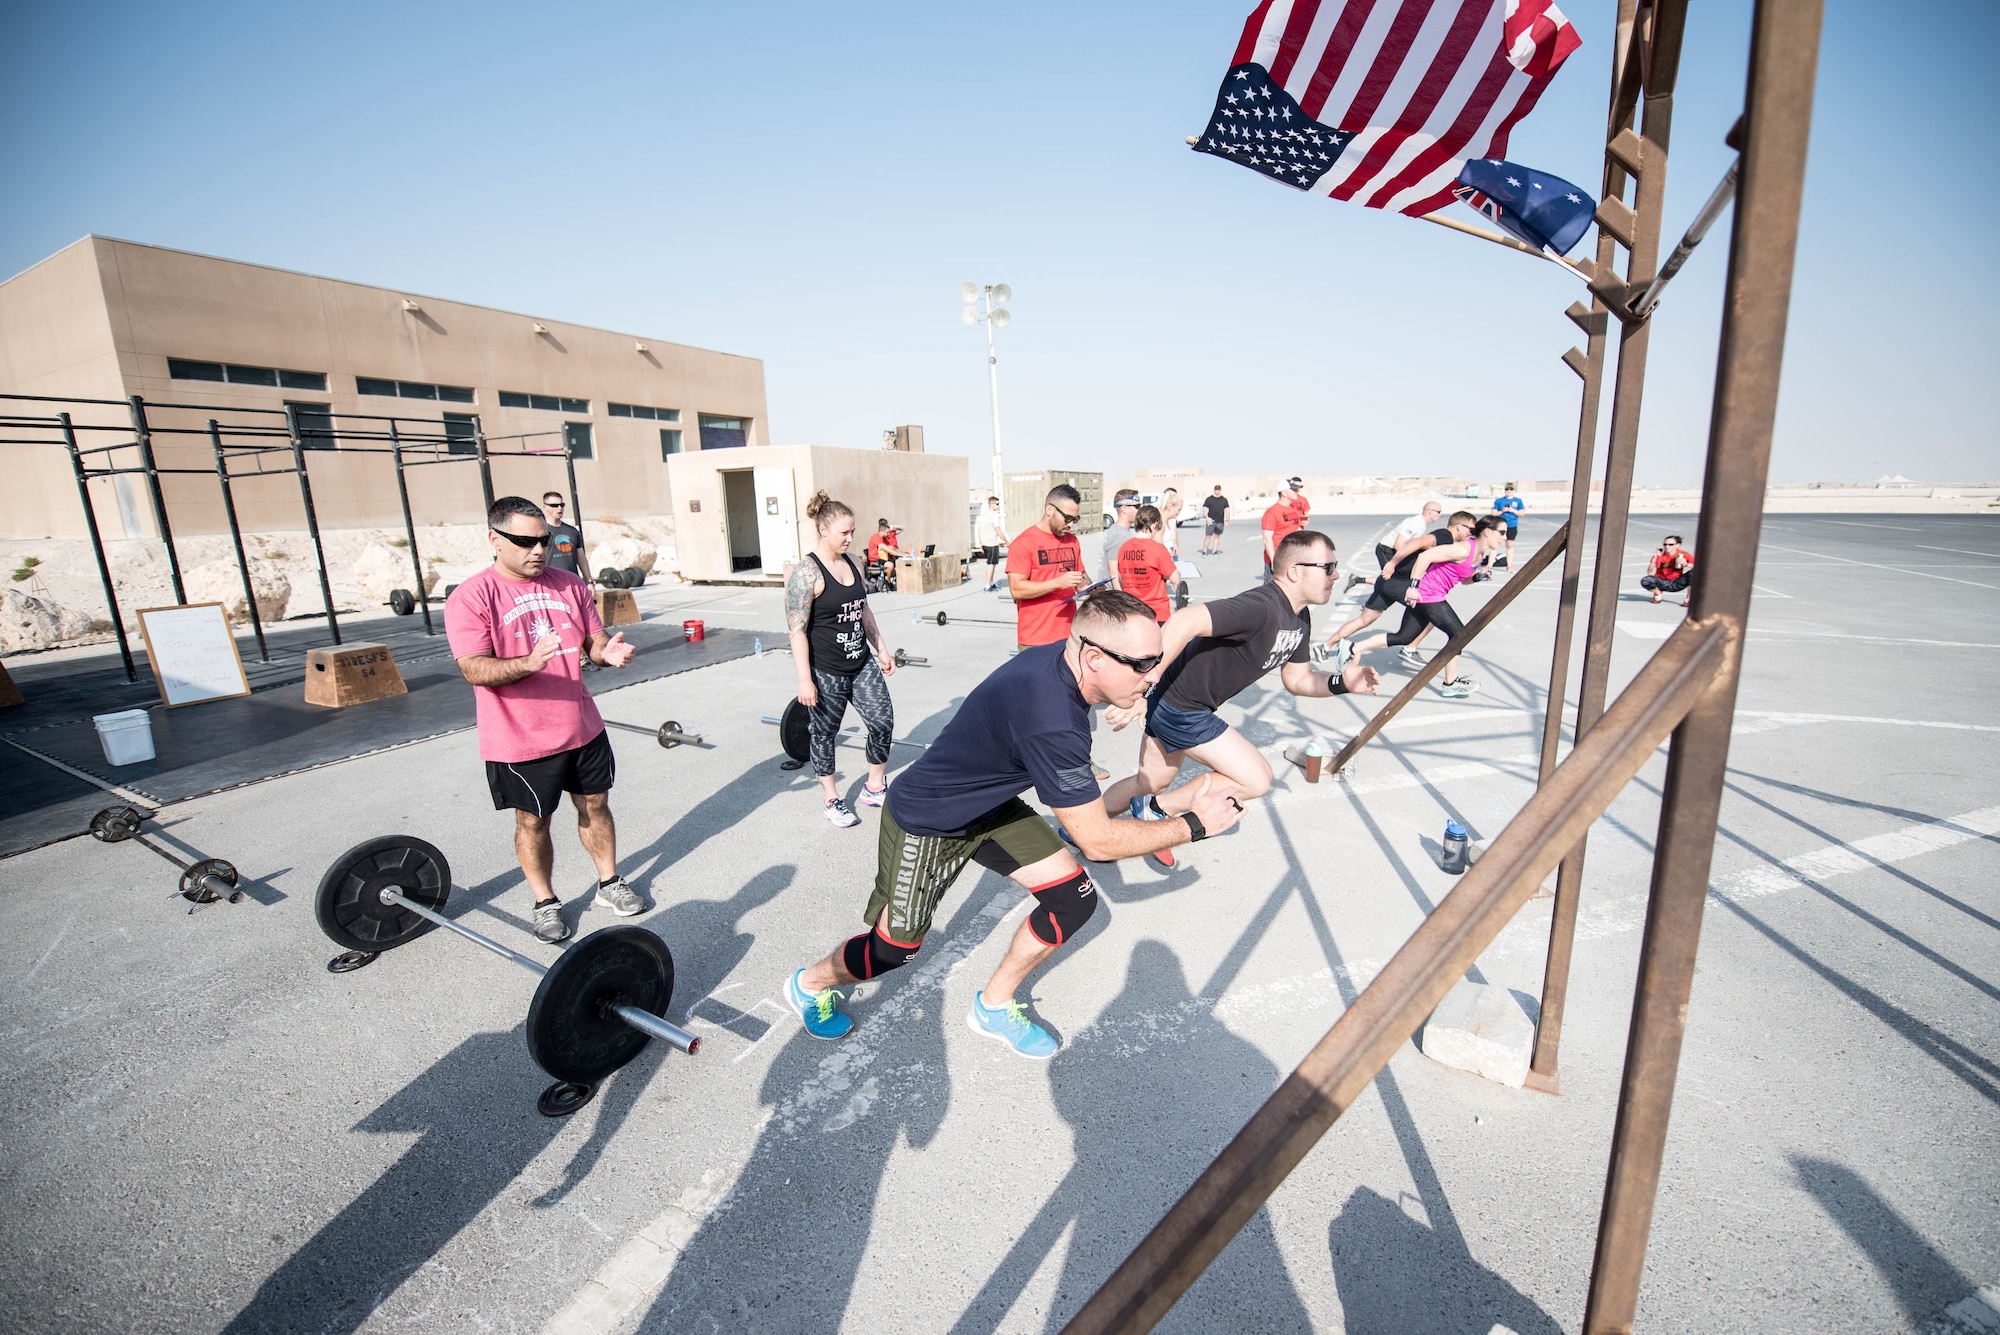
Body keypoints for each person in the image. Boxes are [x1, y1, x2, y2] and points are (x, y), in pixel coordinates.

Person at [782, 590, 1246, 1056]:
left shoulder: (1063, 665)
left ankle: (994, 1005)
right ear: (1093, 657)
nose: (1153, 676)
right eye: (1142, 664)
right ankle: (810, 984)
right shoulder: (1052, 718)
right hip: (929, 817)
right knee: (893, 949)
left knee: (1072, 901)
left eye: (1157, 660)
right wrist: (1193, 825)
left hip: (987, 806)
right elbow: (1097, 841)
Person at [1097, 530, 1381, 871]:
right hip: (1182, 708)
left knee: (1148, 781)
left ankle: (1086, 827)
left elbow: (1298, 679)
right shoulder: (1261, 607)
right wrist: (1145, 684)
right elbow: (1186, 619)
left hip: (1179, 704)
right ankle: (1156, 810)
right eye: (1328, 566)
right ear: (1295, 571)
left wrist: (1343, 682)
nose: (1335, 575)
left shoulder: (1299, 618)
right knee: (1256, 778)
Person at [445, 496, 643, 943]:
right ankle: (545, 901)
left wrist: (606, 652)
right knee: (533, 821)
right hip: (520, 737)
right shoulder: (472, 597)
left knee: (595, 804)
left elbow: (594, 640)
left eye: (544, 541)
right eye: (524, 542)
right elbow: (473, 668)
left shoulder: (569, 585)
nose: (539, 550)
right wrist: (527, 664)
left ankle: (609, 883)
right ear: (494, 539)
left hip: (581, 725)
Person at [787, 491, 898, 828]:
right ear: (823, 530)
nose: (850, 538)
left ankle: (874, 787)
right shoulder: (806, 573)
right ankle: (832, 799)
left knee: (882, 722)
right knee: (824, 734)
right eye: (844, 533)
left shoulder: (855, 562)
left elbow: (862, 609)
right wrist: (805, 679)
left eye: (852, 532)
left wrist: (881, 647)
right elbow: (796, 630)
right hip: (826, 670)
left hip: (861, 662)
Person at [1349, 516, 1506, 699]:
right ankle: (1450, 683)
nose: (1504, 537)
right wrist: (1413, 587)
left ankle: (1352, 648)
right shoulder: (1463, 548)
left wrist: (1478, 577)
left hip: (1431, 596)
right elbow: (1425, 556)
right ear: (1487, 531)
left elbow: (1464, 580)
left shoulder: (1478, 555)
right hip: (1427, 595)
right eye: (1501, 532)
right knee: (1459, 635)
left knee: (1404, 636)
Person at [1323, 509, 1475, 671]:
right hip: (1399, 582)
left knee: (1364, 620)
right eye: (1470, 530)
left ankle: (1326, 646)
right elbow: (1414, 543)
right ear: (1459, 527)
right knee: (1433, 609)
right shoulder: (1445, 537)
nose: (1471, 534)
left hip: (1389, 582)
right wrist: (1392, 563)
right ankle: (1409, 649)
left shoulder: (1447, 539)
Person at [1006, 484, 1087, 651]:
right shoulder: (1023, 543)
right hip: (1035, 641)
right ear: (1049, 510)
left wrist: (1090, 587)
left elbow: (1082, 577)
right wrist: (1058, 583)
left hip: (1069, 638)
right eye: (1067, 518)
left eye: (1075, 519)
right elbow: (1017, 589)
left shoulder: (1072, 541)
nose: (1071, 524)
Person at [1349, 501, 1442, 593]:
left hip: (1392, 550)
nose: (1440, 515)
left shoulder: (1421, 524)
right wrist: (1401, 560)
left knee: (1393, 579)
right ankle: (1369, 602)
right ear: (1430, 512)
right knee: (1392, 580)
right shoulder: (1416, 522)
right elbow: (1399, 544)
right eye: (1438, 512)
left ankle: (1358, 580)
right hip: (1386, 549)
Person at [1113, 504, 1177, 622]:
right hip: (1156, 613)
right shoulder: (1158, 549)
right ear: (1154, 525)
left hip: (1132, 611)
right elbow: (1175, 578)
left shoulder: (1124, 548)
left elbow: (1121, 578)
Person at [1260, 480, 1307, 582]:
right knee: (1272, 594)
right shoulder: (1272, 512)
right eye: (1293, 490)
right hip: (1279, 559)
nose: (1297, 492)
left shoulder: (1293, 509)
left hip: (1293, 559)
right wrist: (1274, 561)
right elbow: (1267, 539)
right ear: (1284, 493)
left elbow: (1297, 529)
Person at [540, 491, 591, 583]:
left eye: (561, 505)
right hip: (550, 583)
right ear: (545, 507)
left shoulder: (572, 531)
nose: (559, 508)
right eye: (554, 505)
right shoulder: (541, 532)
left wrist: (589, 581)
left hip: (572, 582)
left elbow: (581, 559)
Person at [1093, 490, 1140, 582]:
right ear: (1124, 508)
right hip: (1114, 593)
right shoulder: (1119, 535)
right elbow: (1114, 574)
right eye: (1137, 506)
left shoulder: (1118, 530)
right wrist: (1122, 596)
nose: (1140, 510)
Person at [1641, 534, 1695, 604]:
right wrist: (1654, 560)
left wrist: (1686, 564)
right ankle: (1657, 593)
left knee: (1694, 573)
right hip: (1662, 582)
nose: (1667, 546)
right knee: (1646, 580)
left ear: (1677, 545)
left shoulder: (1683, 554)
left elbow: (1698, 566)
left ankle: (1689, 598)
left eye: (1670, 544)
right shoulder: (1660, 555)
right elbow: (1650, 573)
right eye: (1665, 544)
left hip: (1677, 581)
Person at [974, 495, 1008, 591]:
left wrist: (980, 543)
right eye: (997, 504)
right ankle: (987, 585)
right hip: (992, 543)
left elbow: (979, 529)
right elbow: (997, 530)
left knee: (991, 563)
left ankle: (991, 582)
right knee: (991, 564)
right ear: (991, 504)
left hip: (985, 543)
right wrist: (1006, 541)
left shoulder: (984, 515)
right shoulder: (994, 516)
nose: (998, 506)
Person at [1489, 483, 1525, 569]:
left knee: (1509, 545)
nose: (1509, 491)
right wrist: (1502, 511)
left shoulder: (1518, 501)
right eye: (1507, 489)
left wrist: (1512, 510)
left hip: (1512, 525)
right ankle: (1489, 564)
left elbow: (1522, 513)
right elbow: (1493, 513)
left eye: (1511, 489)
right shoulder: (1499, 501)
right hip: (1500, 525)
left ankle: (1509, 565)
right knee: (1495, 544)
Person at [866, 519, 904, 590]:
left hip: (883, 559)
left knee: (899, 568)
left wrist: (904, 554)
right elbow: (888, 549)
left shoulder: (884, 539)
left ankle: (888, 580)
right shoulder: (876, 537)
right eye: (887, 532)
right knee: (890, 565)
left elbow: (892, 548)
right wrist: (901, 555)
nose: (888, 534)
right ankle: (887, 580)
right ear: (882, 531)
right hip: (875, 560)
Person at [1201, 485, 1230, 556]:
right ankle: (1205, 550)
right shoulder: (1209, 499)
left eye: (1218, 490)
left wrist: (1227, 520)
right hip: (1211, 521)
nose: (1217, 491)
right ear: (1214, 490)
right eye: (1216, 489)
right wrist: (1207, 518)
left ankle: (1214, 550)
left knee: (1217, 536)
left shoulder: (1224, 500)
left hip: (1220, 521)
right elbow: (1205, 509)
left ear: (1220, 490)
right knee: (1208, 536)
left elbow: (1227, 510)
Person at [1158, 488, 1184, 561]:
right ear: (1170, 506)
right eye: (1178, 510)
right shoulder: (1159, 523)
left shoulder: (1168, 521)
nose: (1179, 512)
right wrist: (1166, 553)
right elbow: (1157, 547)